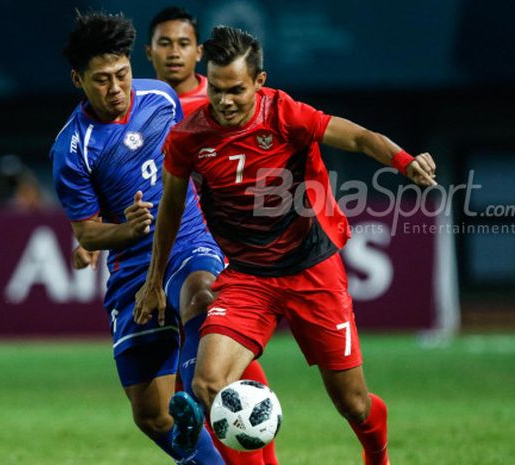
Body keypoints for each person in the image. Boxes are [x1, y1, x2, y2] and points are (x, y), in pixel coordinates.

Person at [135, 26, 438, 465]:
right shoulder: (188, 139)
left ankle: (377, 453)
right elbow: (170, 211)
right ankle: (204, 425)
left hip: (311, 268)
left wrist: (404, 162)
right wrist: (154, 280)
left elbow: (356, 137)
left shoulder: (284, 113)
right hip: (247, 277)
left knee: (352, 403)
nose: (224, 101)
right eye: (216, 90)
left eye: (236, 90)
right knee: (206, 384)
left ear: (259, 82)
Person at [51, 12, 228, 464]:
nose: (116, 89)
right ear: (79, 80)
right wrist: (125, 230)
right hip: (131, 267)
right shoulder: (74, 149)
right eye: (102, 80)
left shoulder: (162, 97)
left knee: (200, 297)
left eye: (122, 74)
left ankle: (196, 401)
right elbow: (87, 230)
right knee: (150, 414)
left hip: (186, 238)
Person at [145, 8, 277, 465]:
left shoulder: (223, 102)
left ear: (198, 52)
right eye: (165, 44)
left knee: (208, 326)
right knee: (193, 361)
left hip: (218, 242)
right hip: (157, 242)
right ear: (149, 53)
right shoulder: (141, 108)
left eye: (183, 44)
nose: (174, 53)